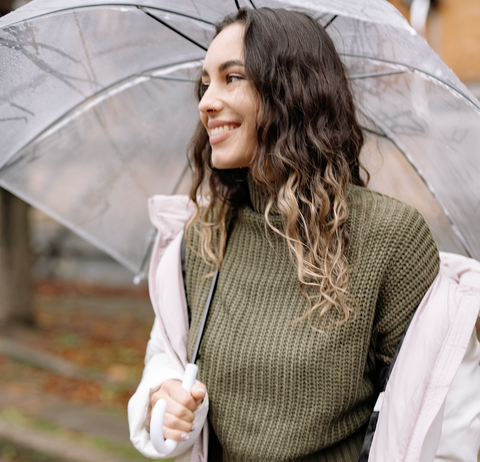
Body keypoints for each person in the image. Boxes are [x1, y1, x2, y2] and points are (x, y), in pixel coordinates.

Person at [129, 7, 442, 461]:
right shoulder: (203, 235)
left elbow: (437, 412)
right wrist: (165, 398)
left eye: (231, 77)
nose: (206, 102)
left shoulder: (389, 237)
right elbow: (165, 353)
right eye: (205, 82)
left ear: (290, 92)